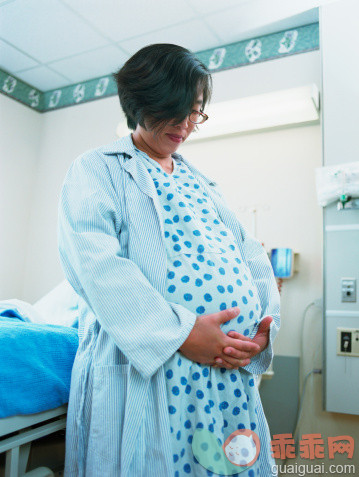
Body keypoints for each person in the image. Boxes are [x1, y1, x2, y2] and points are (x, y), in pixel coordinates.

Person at [58, 43, 280, 477]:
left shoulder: (204, 184)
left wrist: (260, 330)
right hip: (155, 369)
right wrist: (182, 333)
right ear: (139, 103)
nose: (185, 124)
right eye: (174, 110)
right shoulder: (97, 169)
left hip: (225, 374)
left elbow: (251, 255)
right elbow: (95, 265)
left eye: (195, 111)